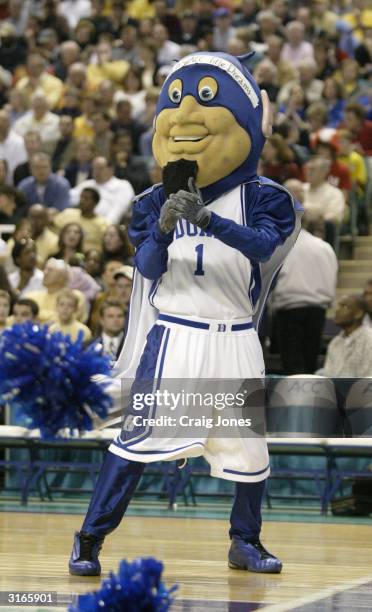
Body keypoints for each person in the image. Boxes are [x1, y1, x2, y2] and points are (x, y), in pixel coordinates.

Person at [69, 49, 301, 577]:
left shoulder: (266, 197)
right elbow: (149, 267)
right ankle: (88, 539)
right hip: (176, 336)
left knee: (248, 451)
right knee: (137, 442)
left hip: (236, 335)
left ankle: (245, 541)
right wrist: (165, 227)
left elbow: (263, 247)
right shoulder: (152, 199)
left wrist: (206, 219)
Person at [271, 180, 338, 374]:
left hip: (289, 309)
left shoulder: (281, 246)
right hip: (317, 311)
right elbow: (331, 278)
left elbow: (274, 279)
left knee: (292, 366)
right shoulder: (324, 247)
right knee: (309, 363)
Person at [318, 295, 372, 377]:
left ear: (358, 313)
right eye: (338, 306)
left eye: (344, 306)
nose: (337, 310)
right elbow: (328, 375)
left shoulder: (369, 339)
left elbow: (368, 378)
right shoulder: (335, 342)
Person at [69, 157, 134, 224]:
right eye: (94, 168)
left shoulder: (123, 186)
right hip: (82, 222)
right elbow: (69, 198)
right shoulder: (87, 184)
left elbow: (117, 212)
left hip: (107, 226)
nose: (97, 171)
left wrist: (105, 227)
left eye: (100, 168)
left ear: (111, 169)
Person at [27, 258, 87, 325]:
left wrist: (38, 316)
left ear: (62, 276)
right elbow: (22, 317)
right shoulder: (31, 296)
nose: (44, 272)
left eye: (50, 270)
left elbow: (67, 320)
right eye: (45, 269)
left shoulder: (75, 296)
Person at [53, 188, 108, 252]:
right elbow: (52, 227)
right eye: (81, 197)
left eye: (86, 198)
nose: (82, 201)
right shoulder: (68, 213)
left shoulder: (102, 223)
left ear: (95, 203)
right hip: (62, 252)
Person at [0, 109, 27, 182]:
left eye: (4, 121)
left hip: (13, 182)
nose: (1, 124)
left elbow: (21, 166)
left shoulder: (19, 142)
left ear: (9, 123)